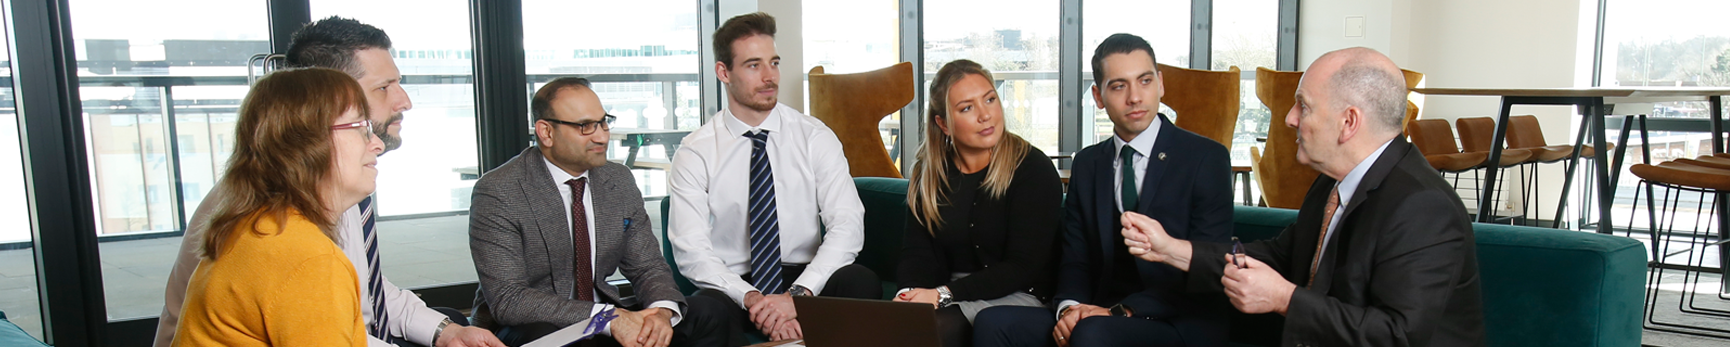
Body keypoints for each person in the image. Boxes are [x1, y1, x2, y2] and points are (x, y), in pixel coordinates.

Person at [156, 16, 504, 347]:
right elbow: (316, 310)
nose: (404, 102)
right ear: (316, 109)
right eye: (383, 88)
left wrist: (445, 331)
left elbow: (362, 292)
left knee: (444, 321)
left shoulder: (286, 199)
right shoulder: (301, 251)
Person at [1120, 47, 1486, 346]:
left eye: (1304, 105)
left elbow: (1397, 335)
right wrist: (1171, 250)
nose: (1290, 119)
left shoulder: (1423, 207)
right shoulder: (1332, 183)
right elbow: (1280, 256)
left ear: (1349, 122)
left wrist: (1284, 299)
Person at [972, 33, 1235, 347]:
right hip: (1099, 311)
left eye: (1145, 81)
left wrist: (1118, 313)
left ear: (1161, 85)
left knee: (1092, 332)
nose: (1135, 97)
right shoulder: (1088, 163)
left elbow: (1207, 266)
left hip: (1178, 319)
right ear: (1098, 96)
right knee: (993, 322)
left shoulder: (1206, 157)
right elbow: (1076, 257)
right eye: (1119, 86)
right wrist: (1069, 309)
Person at [668, 11, 881, 344]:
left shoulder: (814, 136)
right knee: (701, 310)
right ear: (723, 72)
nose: (770, 77)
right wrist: (754, 299)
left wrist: (798, 296)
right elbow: (691, 251)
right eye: (754, 65)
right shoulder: (696, 151)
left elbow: (847, 224)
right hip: (734, 287)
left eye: (774, 63)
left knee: (860, 281)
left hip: (804, 277)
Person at [468, 77, 730, 347]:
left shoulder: (618, 179)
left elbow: (647, 267)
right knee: (559, 338)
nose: (602, 135)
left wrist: (661, 313)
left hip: (608, 315)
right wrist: (607, 318)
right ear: (546, 132)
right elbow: (509, 299)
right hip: (532, 326)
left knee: (710, 312)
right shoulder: (500, 191)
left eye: (603, 122)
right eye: (585, 126)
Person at [171, 68, 380, 346]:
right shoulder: (309, 260)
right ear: (307, 144)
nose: (376, 144)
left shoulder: (253, 229)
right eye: (361, 128)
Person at [893, 59, 1062, 347]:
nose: (986, 115)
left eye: (990, 99)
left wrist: (944, 294)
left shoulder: (1032, 168)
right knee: (898, 322)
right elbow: (916, 255)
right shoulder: (929, 173)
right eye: (967, 108)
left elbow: (1022, 266)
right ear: (943, 124)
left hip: (1021, 293)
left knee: (934, 329)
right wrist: (909, 294)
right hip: (951, 292)